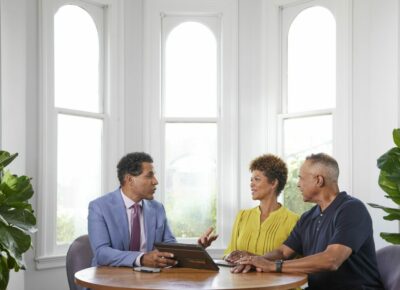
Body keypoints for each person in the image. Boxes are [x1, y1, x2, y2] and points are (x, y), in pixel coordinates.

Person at [234, 153, 384, 290]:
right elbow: (283, 252)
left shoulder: (351, 209)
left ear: (318, 180)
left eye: (301, 178)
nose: (298, 184)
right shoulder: (308, 217)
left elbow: (332, 259)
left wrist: (273, 266)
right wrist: (254, 260)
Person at [88, 152, 217, 268]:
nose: (155, 181)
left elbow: (169, 246)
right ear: (130, 180)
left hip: (148, 280)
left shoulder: (157, 208)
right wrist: (142, 259)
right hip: (108, 279)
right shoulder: (99, 207)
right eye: (149, 176)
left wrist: (196, 250)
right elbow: (102, 253)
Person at [222, 154, 299, 263]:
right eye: (251, 180)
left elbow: (295, 262)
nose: (251, 184)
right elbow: (229, 253)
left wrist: (253, 259)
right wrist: (228, 257)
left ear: (273, 183)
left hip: (277, 280)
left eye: (257, 179)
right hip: (239, 280)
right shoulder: (242, 216)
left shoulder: (294, 220)